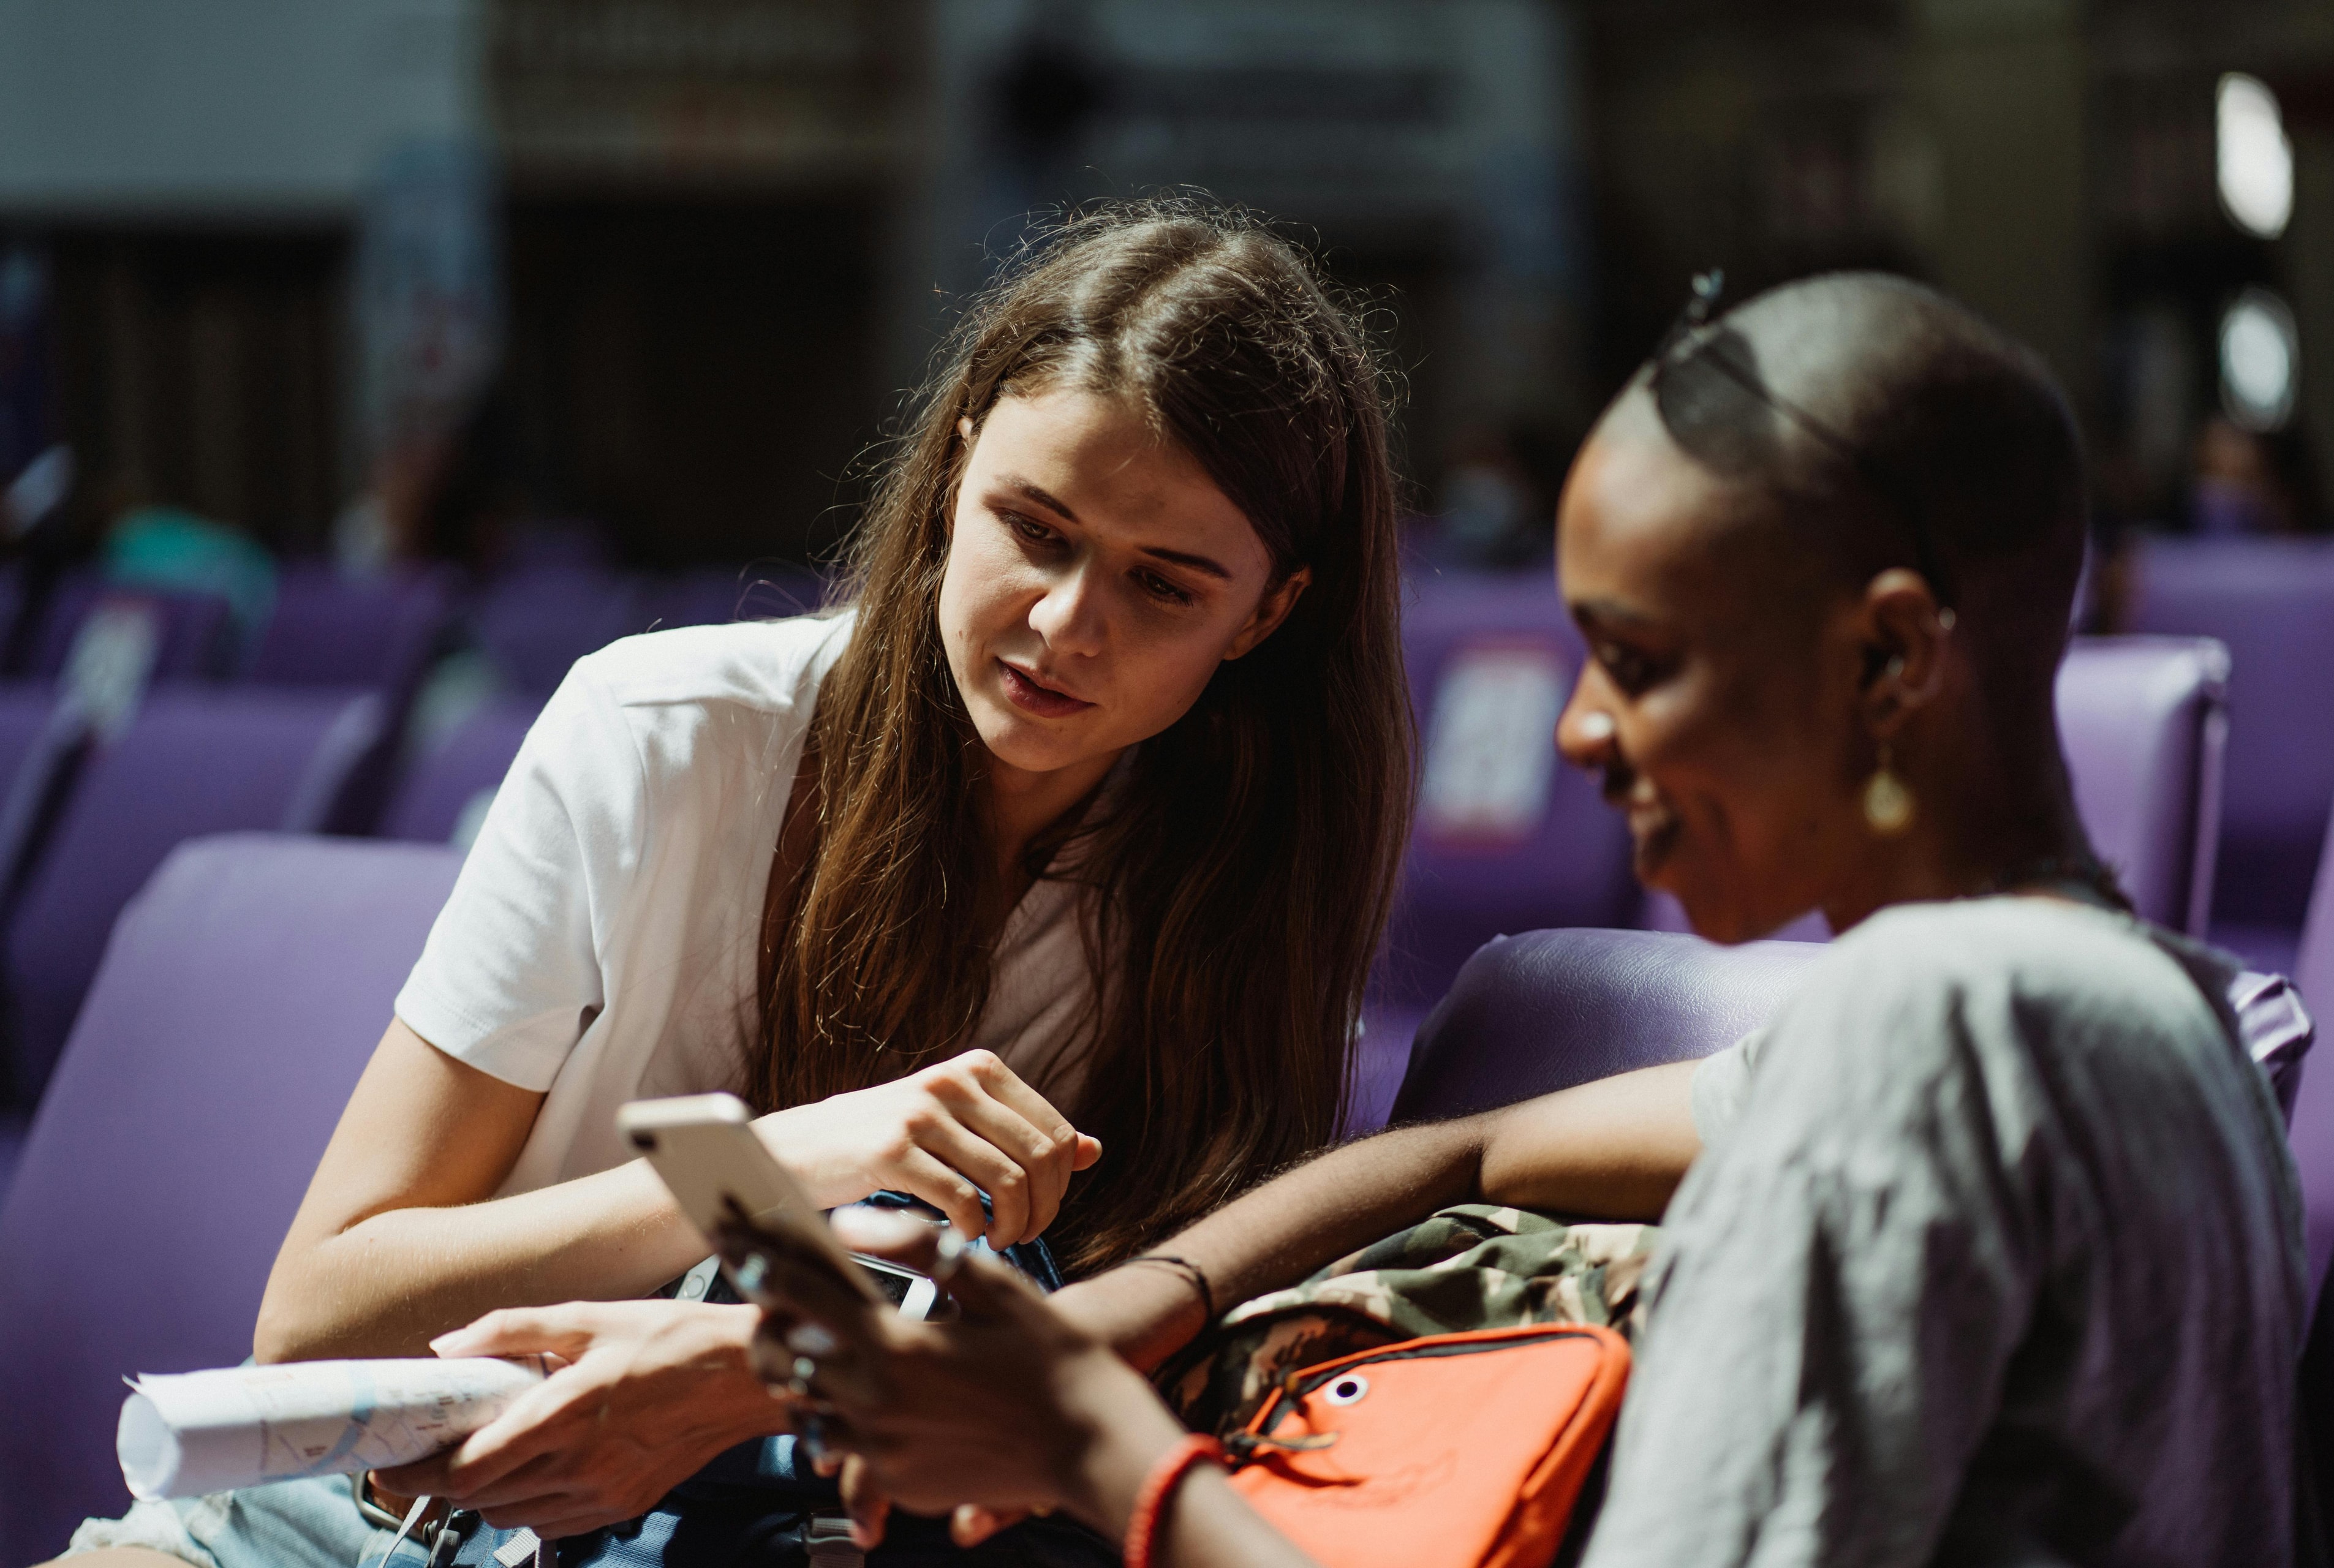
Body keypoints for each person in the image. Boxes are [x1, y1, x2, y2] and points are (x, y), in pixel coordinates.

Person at [749, 272, 2308, 1566]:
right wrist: (1136, 1311)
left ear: (1889, 663)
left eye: (1635, 658)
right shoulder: (2137, 1000)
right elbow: (1464, 1150)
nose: (1576, 732)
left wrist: (1094, 1450)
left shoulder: (1934, 1036)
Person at [60, 203, 1413, 1568]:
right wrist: (787, 1159)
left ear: (1271, 611)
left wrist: (780, 1360)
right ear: (954, 465)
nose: (1065, 621)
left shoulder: (1240, 881)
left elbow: (1118, 1389)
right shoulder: (657, 733)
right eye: (1033, 525)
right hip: (361, 1518)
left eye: (1163, 585)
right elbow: (321, 1312)